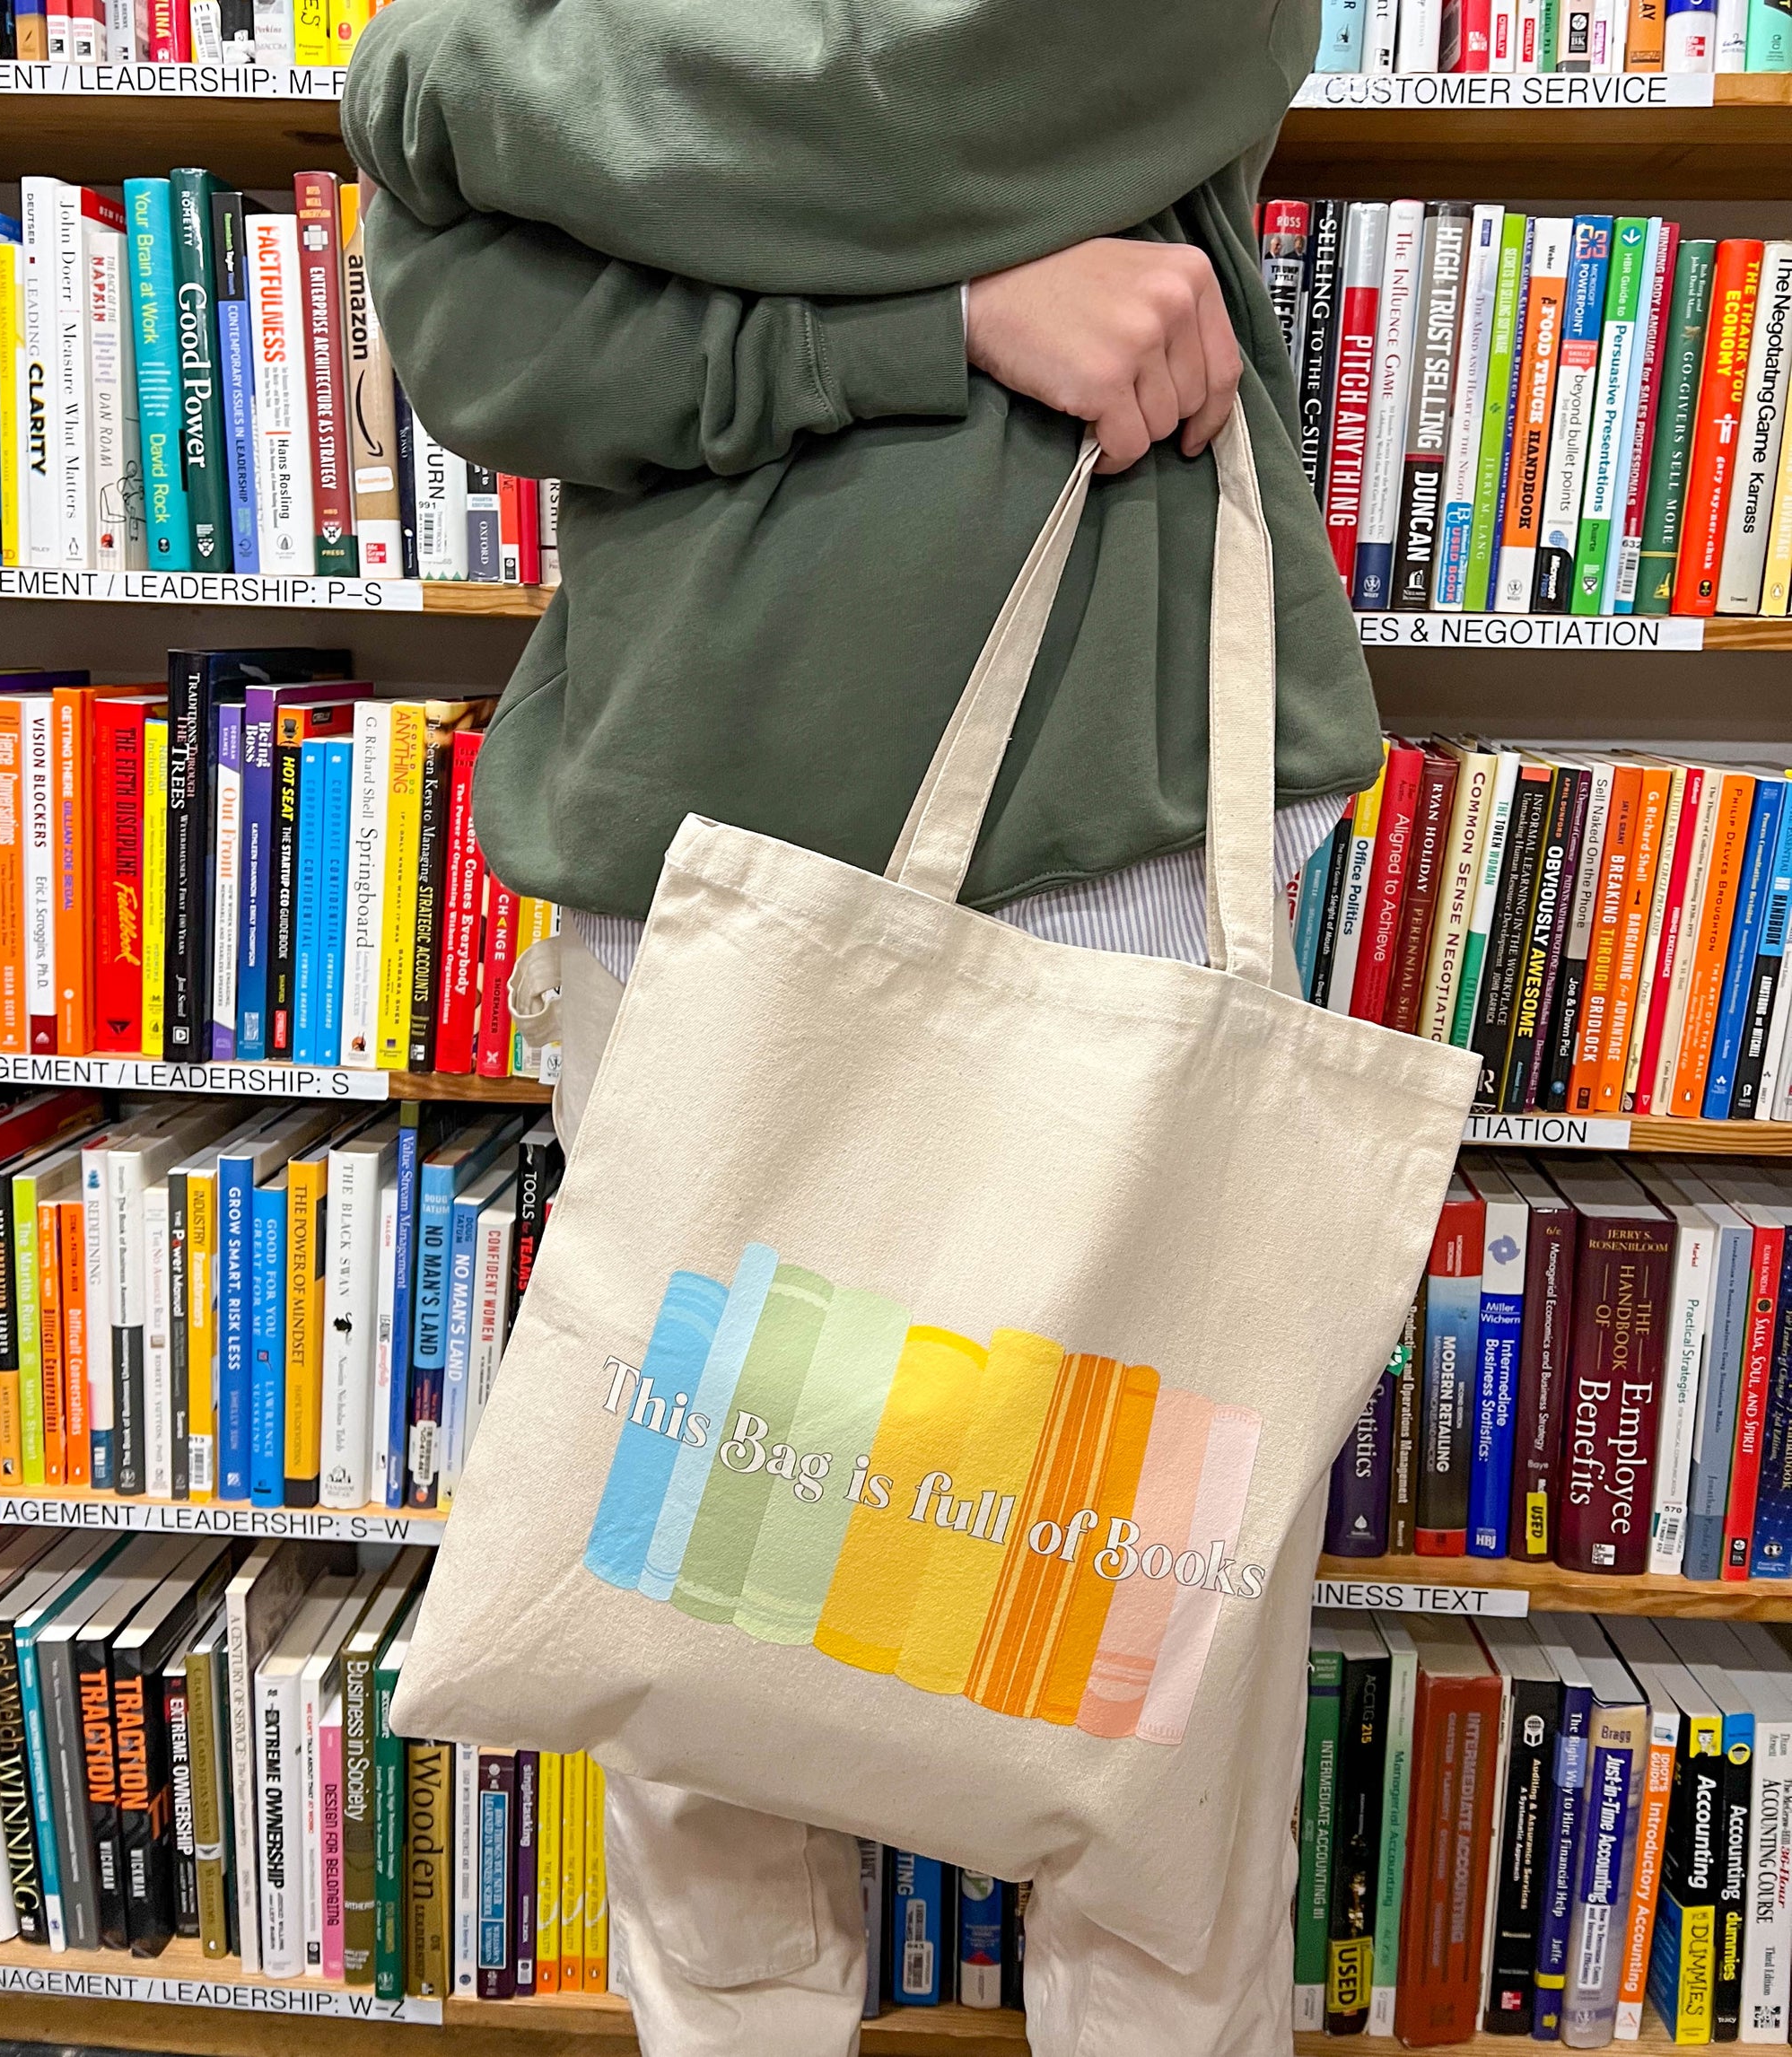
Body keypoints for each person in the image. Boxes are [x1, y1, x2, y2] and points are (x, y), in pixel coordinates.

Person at [344, 4, 1380, 2049]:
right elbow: (477, 340)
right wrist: (948, 314)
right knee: (704, 1670)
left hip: (1129, 819)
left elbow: (1001, 76)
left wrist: (456, 82)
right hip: (696, 841)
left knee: (1134, 1684)